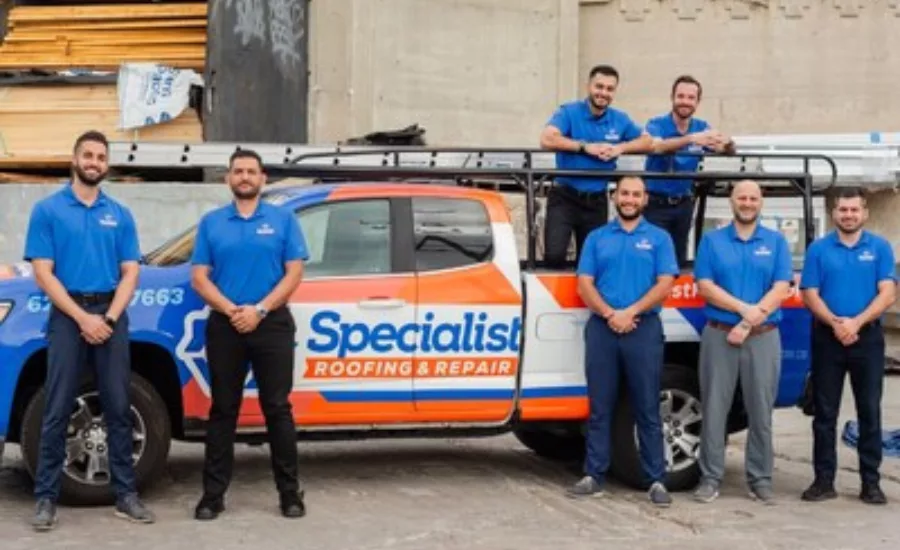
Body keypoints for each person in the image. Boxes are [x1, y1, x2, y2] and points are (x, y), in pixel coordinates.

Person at [23, 130, 154, 531]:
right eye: (88, 155)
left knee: (118, 405)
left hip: (110, 312)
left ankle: (125, 495)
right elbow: (43, 273)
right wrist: (82, 318)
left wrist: (108, 319)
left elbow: (131, 272)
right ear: (75, 159)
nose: (94, 162)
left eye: (101, 157)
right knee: (57, 406)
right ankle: (46, 498)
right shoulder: (47, 210)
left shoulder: (120, 214)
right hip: (68, 314)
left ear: (106, 164)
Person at [190, 149, 308, 520]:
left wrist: (259, 310)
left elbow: (294, 272)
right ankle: (212, 496)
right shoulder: (211, 222)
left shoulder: (283, 219)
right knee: (223, 410)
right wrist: (232, 311)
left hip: (271, 323)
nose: (244, 177)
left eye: (251, 171)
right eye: (238, 171)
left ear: (262, 178)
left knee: (278, 408)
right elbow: (199, 277)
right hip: (225, 325)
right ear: (228, 178)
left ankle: (290, 493)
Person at [567, 176, 678, 507]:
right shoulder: (597, 237)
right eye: (624, 194)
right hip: (602, 328)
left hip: (643, 328)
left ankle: (655, 479)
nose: (629, 199)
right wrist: (609, 313)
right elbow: (584, 283)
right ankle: (594, 475)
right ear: (615, 197)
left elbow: (665, 283)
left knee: (647, 406)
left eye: (636, 194)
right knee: (600, 406)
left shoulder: (659, 238)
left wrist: (630, 312)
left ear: (645, 199)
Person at [692, 180, 792, 505]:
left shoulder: (776, 242)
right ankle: (710, 478)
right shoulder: (712, 241)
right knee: (714, 409)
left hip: (763, 336)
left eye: (753, 198)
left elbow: (781, 287)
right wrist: (743, 310)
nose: (747, 203)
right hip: (720, 334)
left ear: (761, 202)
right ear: (731, 202)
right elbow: (705, 286)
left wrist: (749, 321)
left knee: (761, 411)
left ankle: (760, 479)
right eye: (741, 198)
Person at [798, 188, 896, 505]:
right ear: (834, 214)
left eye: (854, 210)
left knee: (870, 411)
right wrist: (836, 323)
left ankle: (871, 483)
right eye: (843, 210)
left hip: (867, 339)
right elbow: (809, 293)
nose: (849, 215)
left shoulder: (880, 248)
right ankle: (823, 481)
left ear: (864, 213)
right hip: (827, 339)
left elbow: (887, 293)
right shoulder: (818, 249)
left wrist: (856, 323)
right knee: (824, 413)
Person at [539, 64, 653, 268]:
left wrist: (620, 148)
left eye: (610, 89)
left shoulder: (620, 119)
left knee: (591, 261)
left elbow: (648, 142)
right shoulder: (569, 111)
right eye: (599, 86)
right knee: (554, 256)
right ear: (588, 86)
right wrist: (584, 147)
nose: (603, 93)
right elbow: (547, 139)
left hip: (597, 200)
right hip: (565, 196)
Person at [644, 75, 735, 266]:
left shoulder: (702, 127)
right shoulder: (656, 124)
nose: (685, 101)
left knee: (678, 259)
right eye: (681, 96)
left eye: (691, 97)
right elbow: (656, 147)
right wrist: (691, 139)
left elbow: (727, 149)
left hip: (684, 204)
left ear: (697, 102)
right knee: (651, 258)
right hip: (654, 203)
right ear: (672, 97)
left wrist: (726, 143)